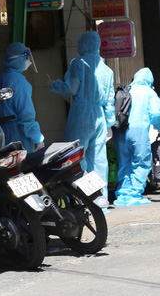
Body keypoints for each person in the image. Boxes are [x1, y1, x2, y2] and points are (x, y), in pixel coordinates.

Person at [49, 31, 115, 200]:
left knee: (76, 155)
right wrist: (109, 122)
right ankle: (99, 198)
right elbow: (109, 100)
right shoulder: (107, 70)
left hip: (82, 113)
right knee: (99, 159)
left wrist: (54, 85)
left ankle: (81, 199)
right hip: (99, 116)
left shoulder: (78, 63)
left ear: (85, 44)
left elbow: (71, 89)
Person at [113, 67, 160, 207]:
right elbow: (156, 114)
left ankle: (122, 193)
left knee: (124, 163)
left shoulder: (126, 89)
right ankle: (134, 194)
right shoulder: (149, 93)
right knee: (141, 162)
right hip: (139, 133)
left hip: (121, 132)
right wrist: (159, 125)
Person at [0, 42, 44, 153]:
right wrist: (37, 138)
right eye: (26, 58)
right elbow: (26, 115)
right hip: (19, 135)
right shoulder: (18, 82)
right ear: (19, 59)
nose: (27, 61)